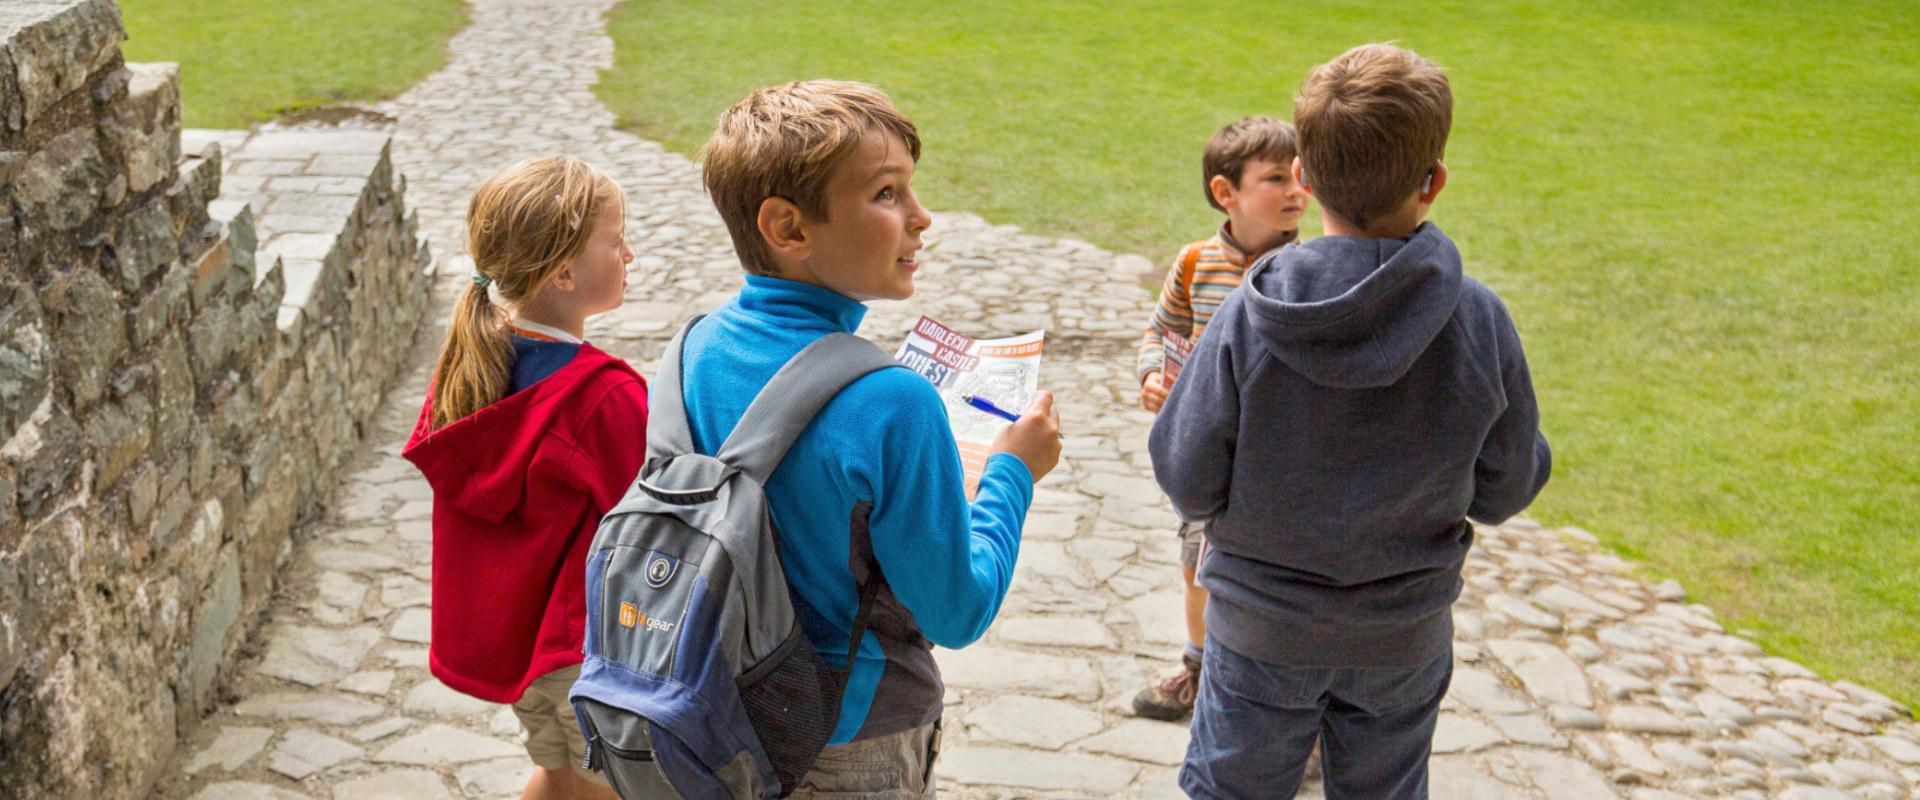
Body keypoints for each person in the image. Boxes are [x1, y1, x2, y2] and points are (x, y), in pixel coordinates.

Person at [1150, 44, 1552, 800]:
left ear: (1304, 175)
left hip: (1261, 629)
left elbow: (1186, 471)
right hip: (1400, 636)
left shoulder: (1248, 317)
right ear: (1433, 182)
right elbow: (1505, 488)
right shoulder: (1479, 322)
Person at [685, 79, 1061, 798]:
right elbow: (957, 610)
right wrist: (1014, 470)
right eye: (887, 195)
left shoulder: (694, 348)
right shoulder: (892, 403)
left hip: (717, 710)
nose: (922, 218)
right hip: (849, 733)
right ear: (788, 228)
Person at [402, 156, 643, 800]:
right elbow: (653, 518)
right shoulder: (602, 396)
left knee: (560, 777)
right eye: (615, 240)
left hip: (521, 647)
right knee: (608, 788)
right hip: (586, 649)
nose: (630, 253)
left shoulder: (466, 372)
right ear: (563, 271)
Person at [1133, 115, 1308, 722]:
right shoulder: (1193, 263)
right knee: (1196, 565)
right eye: (1276, 179)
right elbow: (1161, 332)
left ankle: (1288, 699)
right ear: (1224, 192)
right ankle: (1198, 667)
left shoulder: (1311, 270)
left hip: (1280, 460)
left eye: (1301, 178)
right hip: (1208, 454)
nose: (1295, 192)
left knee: (1277, 584)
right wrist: (1152, 376)